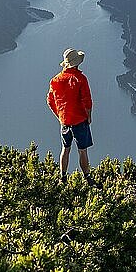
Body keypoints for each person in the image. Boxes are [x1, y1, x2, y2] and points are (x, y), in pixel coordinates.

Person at [47, 48, 97, 186]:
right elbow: (87, 101)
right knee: (82, 151)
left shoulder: (55, 80)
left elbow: (50, 101)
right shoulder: (80, 79)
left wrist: (60, 116)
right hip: (79, 120)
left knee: (65, 149)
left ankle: (62, 177)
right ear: (77, 63)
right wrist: (89, 116)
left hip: (64, 122)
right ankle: (88, 178)